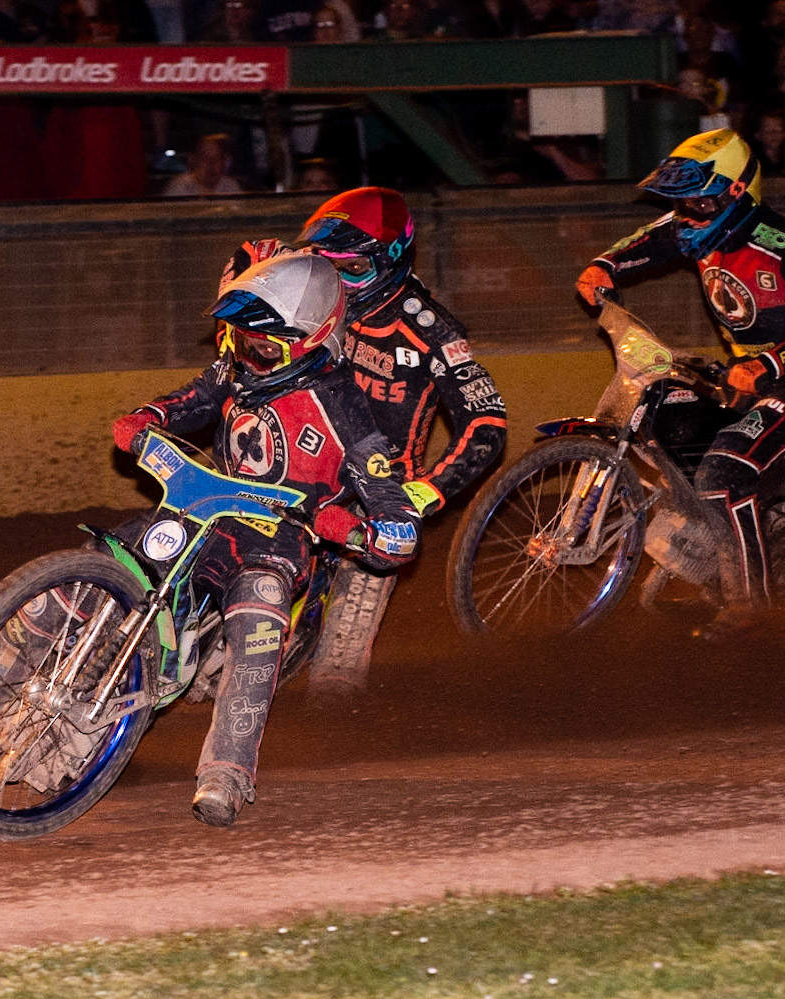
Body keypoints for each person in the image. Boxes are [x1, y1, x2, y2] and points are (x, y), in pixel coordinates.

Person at [112, 252, 421, 826]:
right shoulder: (235, 369)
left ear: (310, 344)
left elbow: (394, 508)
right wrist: (149, 417)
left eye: (262, 349)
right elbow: (196, 397)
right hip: (203, 511)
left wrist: (369, 530)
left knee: (260, 614)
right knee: (109, 558)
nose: (246, 357)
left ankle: (226, 773)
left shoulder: (346, 409)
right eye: (238, 340)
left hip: (276, 542)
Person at [575, 128, 785, 636]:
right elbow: (652, 238)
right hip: (740, 376)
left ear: (736, 192)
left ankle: (750, 604)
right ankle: (716, 562)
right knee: (683, 443)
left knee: (722, 473)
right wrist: (604, 266)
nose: (688, 214)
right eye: (680, 202)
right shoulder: (695, 226)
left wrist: (769, 365)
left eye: (698, 201)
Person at [289, 187, 506, 685]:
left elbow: (487, 423)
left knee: (336, 671)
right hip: (304, 467)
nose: (338, 282)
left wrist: (423, 493)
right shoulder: (312, 298)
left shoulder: (432, 330)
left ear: (390, 260)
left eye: (352, 268)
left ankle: (331, 718)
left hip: (378, 496)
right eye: (327, 266)